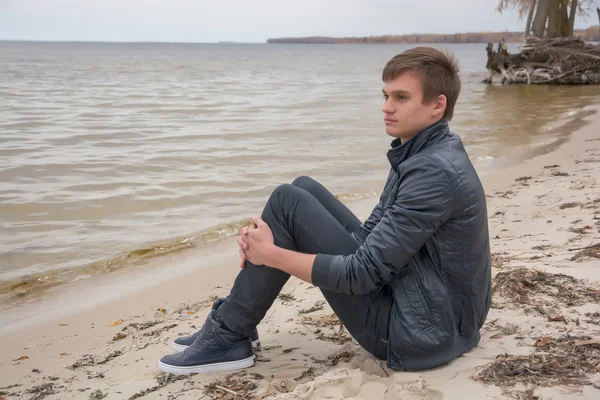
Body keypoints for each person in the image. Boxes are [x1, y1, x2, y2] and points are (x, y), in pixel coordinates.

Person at [157, 46, 492, 375]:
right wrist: (270, 246)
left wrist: (270, 254)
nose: (386, 107)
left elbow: (360, 274)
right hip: (436, 317)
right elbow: (368, 237)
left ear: (437, 105)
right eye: (385, 95)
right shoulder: (421, 151)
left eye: (401, 97)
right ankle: (234, 325)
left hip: (416, 334)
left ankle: (229, 332)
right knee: (301, 188)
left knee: (287, 203)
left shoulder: (432, 172)